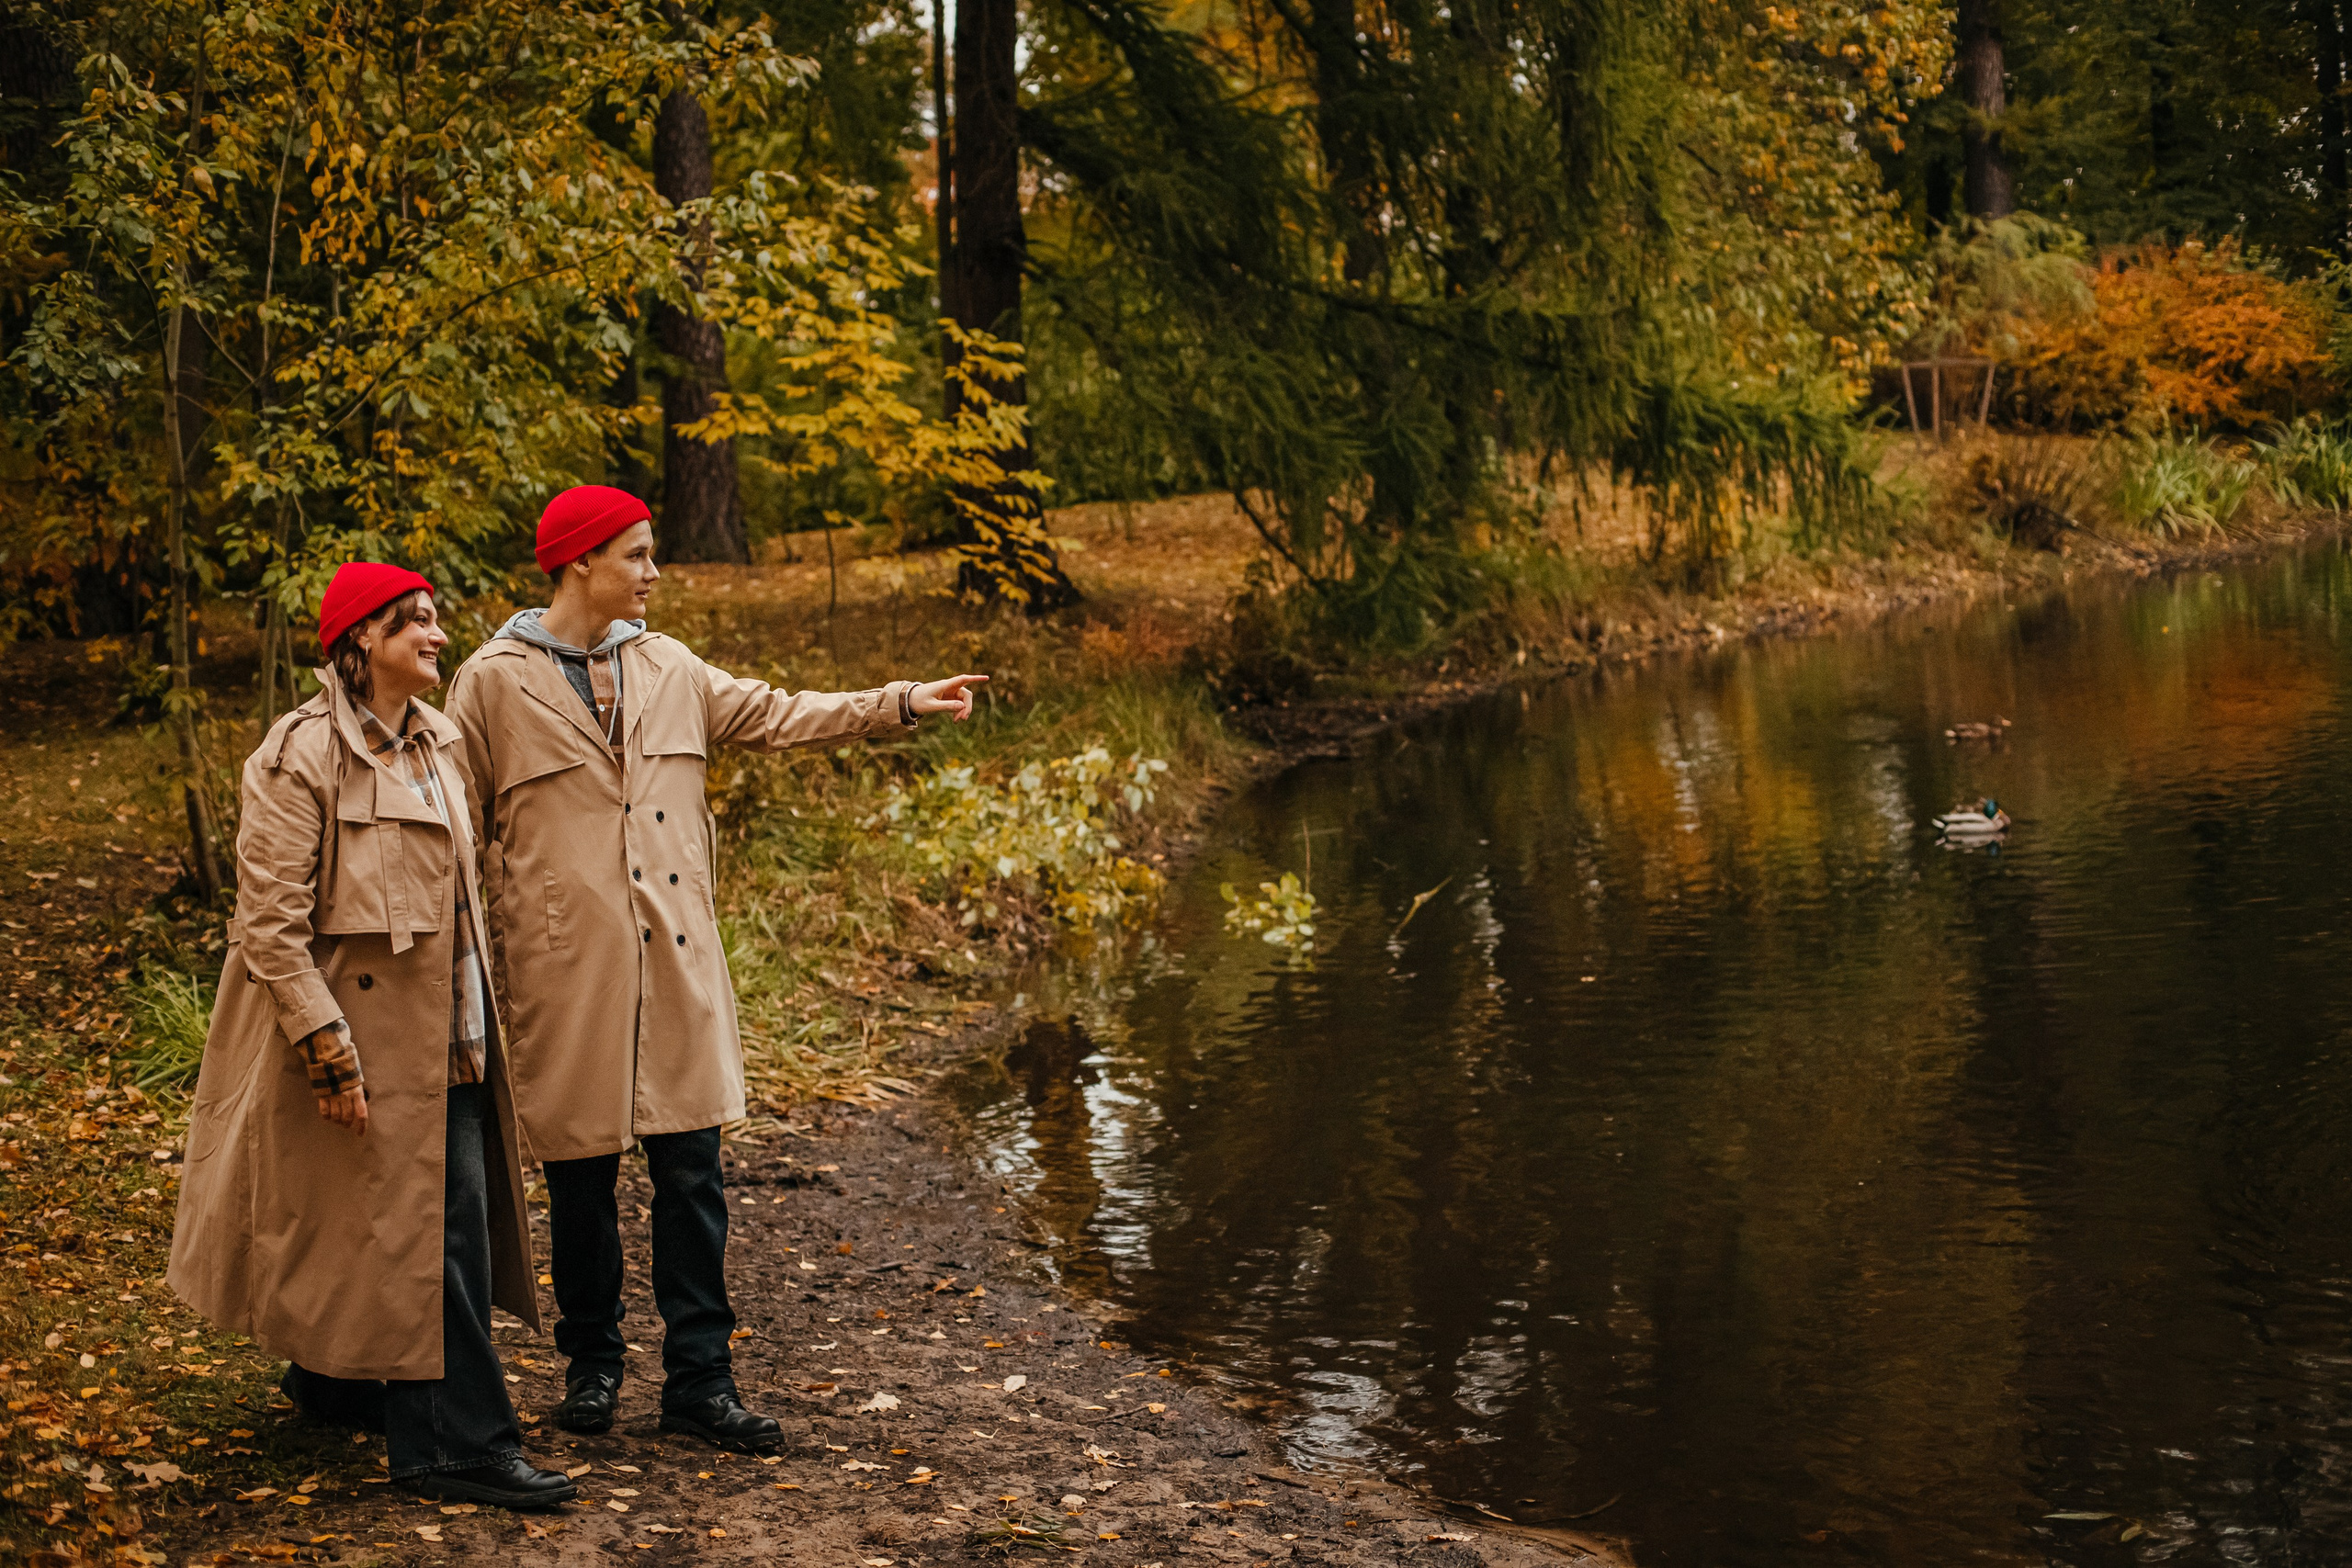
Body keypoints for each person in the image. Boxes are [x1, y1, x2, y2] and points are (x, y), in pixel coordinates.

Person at [445, 485, 986, 1453]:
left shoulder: (670, 665)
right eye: (638, 554)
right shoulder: (490, 682)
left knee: (692, 1177)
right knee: (580, 1182)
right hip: (562, 972)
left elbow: (777, 714)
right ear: (579, 563)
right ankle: (593, 1368)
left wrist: (900, 702)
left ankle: (702, 1379)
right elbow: (450, 828)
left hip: (677, 962)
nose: (655, 572)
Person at [168, 564, 574, 1510]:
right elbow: (268, 927)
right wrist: (328, 1049)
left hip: (454, 1037)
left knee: (427, 1231)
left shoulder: (441, 743)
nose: (437, 636)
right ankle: (455, 1445)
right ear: (360, 643)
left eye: (433, 620)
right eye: (414, 624)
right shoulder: (296, 756)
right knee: (431, 1243)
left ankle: (334, 1383)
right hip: (361, 1048)